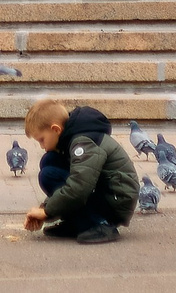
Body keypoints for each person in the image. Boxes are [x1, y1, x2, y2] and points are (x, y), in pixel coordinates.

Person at [19, 99, 138, 244]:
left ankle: (98, 224)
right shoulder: (71, 138)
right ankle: (76, 222)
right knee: (50, 160)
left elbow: (79, 187)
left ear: (56, 129)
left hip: (116, 199)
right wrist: (45, 209)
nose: (42, 146)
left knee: (49, 174)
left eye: (42, 140)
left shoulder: (84, 142)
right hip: (103, 192)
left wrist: (47, 212)